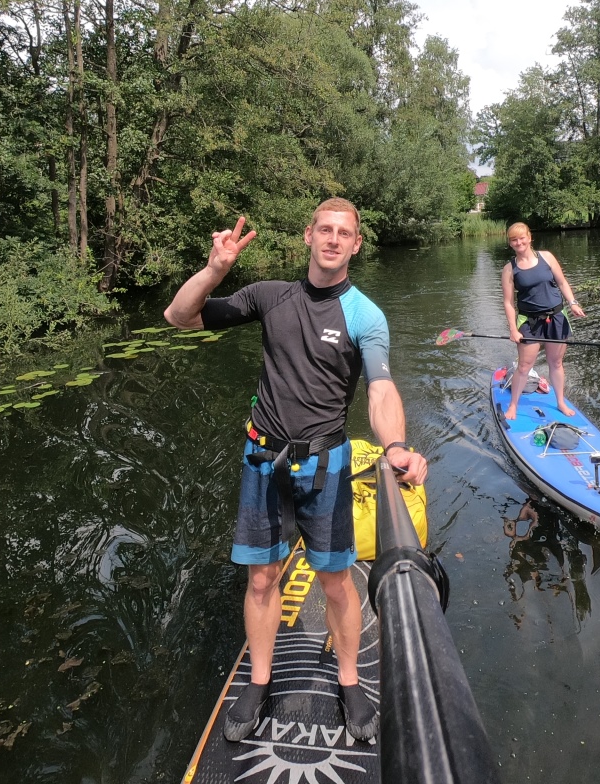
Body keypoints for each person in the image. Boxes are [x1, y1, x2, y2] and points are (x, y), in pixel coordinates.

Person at [164, 198, 428, 744]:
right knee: (262, 579)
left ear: (356, 244)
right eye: (324, 229)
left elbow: (380, 389)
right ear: (308, 235)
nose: (333, 239)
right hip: (263, 460)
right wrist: (214, 271)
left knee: (336, 582)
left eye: (344, 233)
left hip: (325, 465)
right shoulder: (270, 296)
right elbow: (180, 316)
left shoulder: (365, 315)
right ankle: (259, 680)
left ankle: (349, 680)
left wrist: (397, 445)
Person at [500, 222, 586, 421]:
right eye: (514, 240)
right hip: (529, 322)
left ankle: (561, 402)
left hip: (556, 317)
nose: (519, 242)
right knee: (524, 366)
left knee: (556, 362)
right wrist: (513, 329)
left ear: (530, 237)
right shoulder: (509, 269)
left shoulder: (547, 257)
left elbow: (562, 282)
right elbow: (508, 302)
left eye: (522, 238)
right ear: (510, 243)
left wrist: (573, 303)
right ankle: (513, 405)